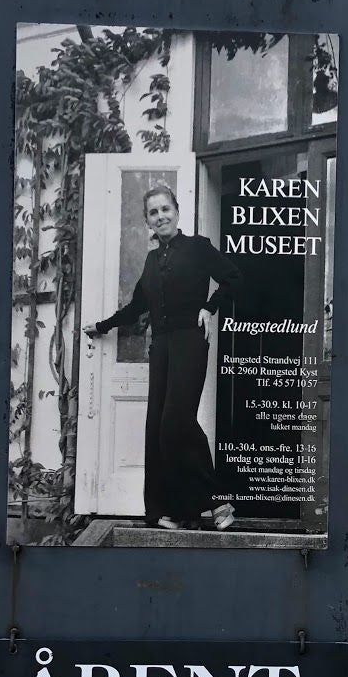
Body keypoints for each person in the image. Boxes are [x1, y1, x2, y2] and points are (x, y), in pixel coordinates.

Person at [84, 184, 240, 532]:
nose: (160, 216)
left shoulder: (198, 247)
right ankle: (168, 511)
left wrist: (209, 307)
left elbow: (232, 277)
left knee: (176, 422)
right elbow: (139, 305)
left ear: (177, 211)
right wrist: (102, 325)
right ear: (148, 222)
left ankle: (217, 502)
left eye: (165, 209)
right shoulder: (153, 260)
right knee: (156, 428)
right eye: (153, 212)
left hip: (190, 341)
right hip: (162, 348)